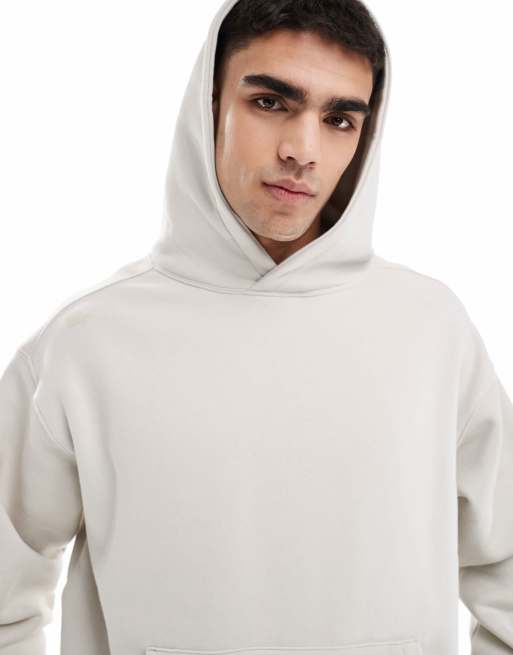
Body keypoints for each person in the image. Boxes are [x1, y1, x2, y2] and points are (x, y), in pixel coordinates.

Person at [1, 0, 512, 654]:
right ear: (209, 105)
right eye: (270, 102)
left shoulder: (432, 330)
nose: (302, 151)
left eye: (339, 119)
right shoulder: (85, 342)